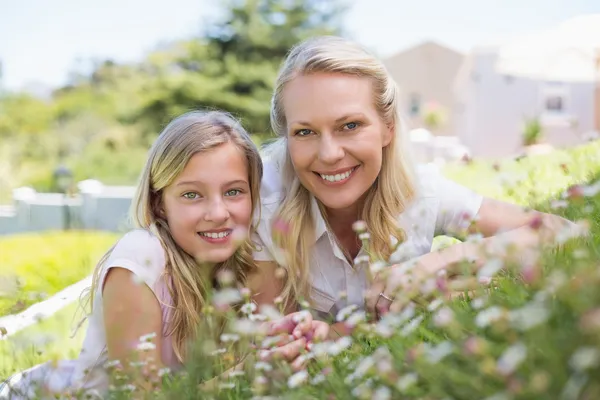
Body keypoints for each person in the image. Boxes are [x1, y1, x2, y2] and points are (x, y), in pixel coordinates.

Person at [251, 35, 582, 336]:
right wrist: (410, 311)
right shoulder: (264, 202)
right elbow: (281, 345)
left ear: (388, 128)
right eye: (305, 132)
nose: (329, 154)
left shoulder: (421, 191)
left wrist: (435, 264)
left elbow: (562, 232)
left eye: (350, 125)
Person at [0, 111, 328, 399]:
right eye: (191, 194)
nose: (218, 212)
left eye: (233, 192)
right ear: (159, 202)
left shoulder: (254, 258)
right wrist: (249, 372)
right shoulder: (139, 261)